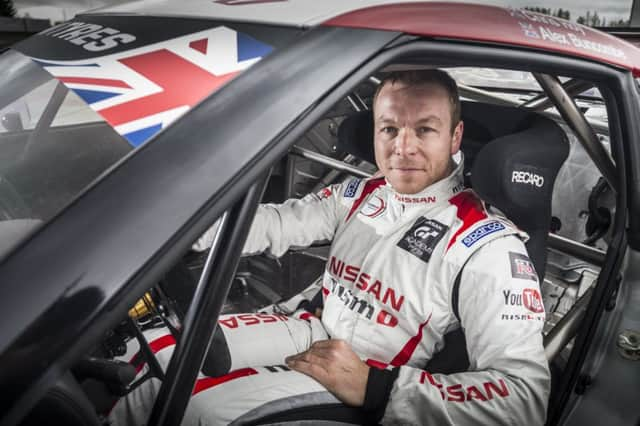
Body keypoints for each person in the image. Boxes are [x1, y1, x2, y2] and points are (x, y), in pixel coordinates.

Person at [111, 70, 550, 425]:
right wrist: (180, 228)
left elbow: (523, 402)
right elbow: (275, 222)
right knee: (148, 359)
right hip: (313, 330)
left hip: (375, 379)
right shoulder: (360, 193)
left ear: (455, 138)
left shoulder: (489, 247)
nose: (403, 147)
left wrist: (377, 387)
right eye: (390, 128)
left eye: (425, 130)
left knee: (202, 412)